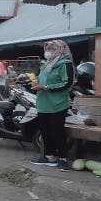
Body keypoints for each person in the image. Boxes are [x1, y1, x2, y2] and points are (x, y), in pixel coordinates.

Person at [30, 40, 74, 172]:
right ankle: (49, 156)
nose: (48, 52)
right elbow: (41, 79)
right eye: (47, 49)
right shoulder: (46, 65)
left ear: (60, 50)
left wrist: (47, 87)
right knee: (45, 131)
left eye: (52, 49)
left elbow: (67, 83)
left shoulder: (65, 64)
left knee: (57, 132)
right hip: (43, 104)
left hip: (57, 104)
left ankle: (63, 159)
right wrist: (36, 83)